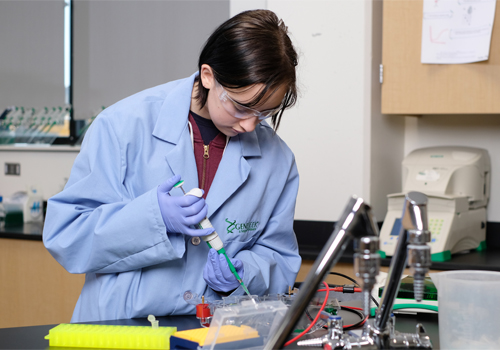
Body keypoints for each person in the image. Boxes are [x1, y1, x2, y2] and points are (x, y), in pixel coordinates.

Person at [43, 9, 301, 323]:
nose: (249, 125)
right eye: (240, 106)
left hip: (213, 332)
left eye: (264, 113)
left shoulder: (278, 160)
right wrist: (154, 217)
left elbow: (279, 258)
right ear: (209, 76)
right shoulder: (123, 125)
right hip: (119, 329)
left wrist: (247, 274)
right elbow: (67, 237)